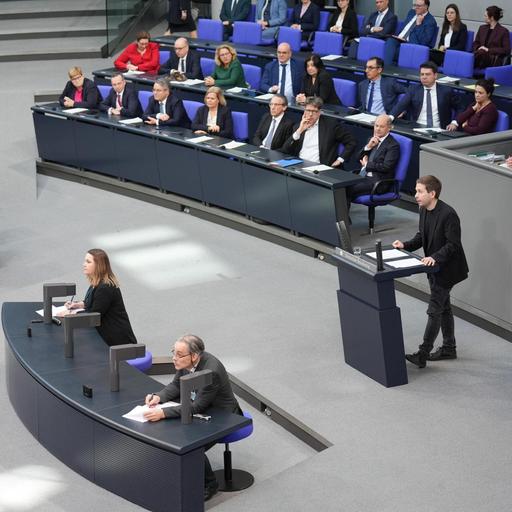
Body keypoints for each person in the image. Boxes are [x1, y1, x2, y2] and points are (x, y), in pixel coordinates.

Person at [143, 334, 242, 501]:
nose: (174, 358)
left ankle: (210, 485)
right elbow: (176, 385)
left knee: (191, 444)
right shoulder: (186, 361)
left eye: (179, 355)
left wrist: (163, 413)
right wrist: (158, 397)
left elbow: (197, 407)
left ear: (194, 356)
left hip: (223, 415)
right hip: (204, 409)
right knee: (174, 432)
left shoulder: (212, 372)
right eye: (173, 352)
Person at [392, 175, 468, 367]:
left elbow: (453, 245)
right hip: (433, 268)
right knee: (444, 308)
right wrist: (405, 245)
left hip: (447, 269)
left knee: (434, 310)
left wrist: (435, 257)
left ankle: (422, 354)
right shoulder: (424, 209)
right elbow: (421, 237)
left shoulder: (448, 214)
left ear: (432, 193)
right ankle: (449, 348)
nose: (416, 195)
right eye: (416, 191)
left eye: (420, 191)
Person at [62, 249, 138, 347]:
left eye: (88, 262)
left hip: (118, 342)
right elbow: (93, 303)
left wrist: (70, 314)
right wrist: (78, 304)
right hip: (107, 335)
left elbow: (94, 316)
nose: (84, 264)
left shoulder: (105, 287)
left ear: (99, 265)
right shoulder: (96, 283)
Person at [282, 96, 356, 167]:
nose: (310, 114)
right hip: (299, 165)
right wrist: (299, 131)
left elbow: (351, 142)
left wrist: (340, 159)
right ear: (304, 110)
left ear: (319, 112)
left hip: (320, 168)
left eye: (314, 111)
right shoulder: (298, 126)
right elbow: (286, 149)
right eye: (308, 110)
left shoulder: (331, 125)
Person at [390, 61, 461, 129]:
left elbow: (460, 108)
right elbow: (401, 105)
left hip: (439, 129)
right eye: (422, 74)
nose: (424, 77)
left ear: (435, 75)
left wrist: (454, 122)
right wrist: (390, 118)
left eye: (427, 74)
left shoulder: (446, 91)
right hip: (416, 128)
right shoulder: (414, 89)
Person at [347, 114, 400, 201]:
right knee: (340, 185)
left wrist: (367, 164)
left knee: (348, 189)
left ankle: (343, 214)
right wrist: (368, 146)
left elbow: (386, 167)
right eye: (376, 125)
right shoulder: (372, 140)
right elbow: (357, 159)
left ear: (389, 128)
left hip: (378, 182)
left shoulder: (393, 145)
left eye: (382, 127)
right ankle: (341, 214)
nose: (378, 129)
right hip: (364, 176)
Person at [383, 0, 437, 65]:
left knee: (393, 51)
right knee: (390, 41)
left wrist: (419, 25)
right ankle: (386, 69)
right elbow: (404, 28)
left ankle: (386, 69)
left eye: (419, 6)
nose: (416, 8)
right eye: (415, 5)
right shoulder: (412, 12)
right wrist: (399, 36)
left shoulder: (430, 21)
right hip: (400, 39)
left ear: (426, 6)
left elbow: (424, 41)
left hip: (412, 43)